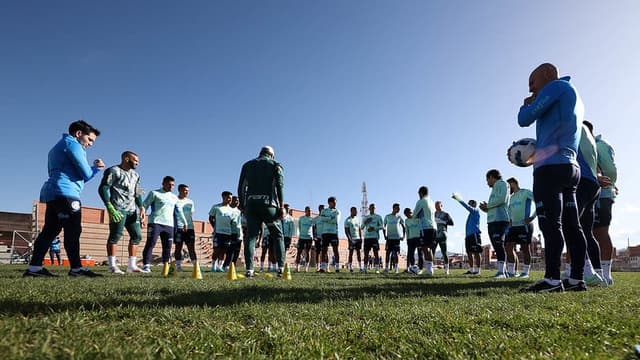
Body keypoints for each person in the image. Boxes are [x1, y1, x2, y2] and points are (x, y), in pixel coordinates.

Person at [518, 63, 588, 292]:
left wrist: (526, 104)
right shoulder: (573, 93)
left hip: (550, 168)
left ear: (548, 74)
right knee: (572, 225)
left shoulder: (554, 87)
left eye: (532, 82)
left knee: (550, 224)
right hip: (571, 167)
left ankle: (552, 280)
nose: (530, 89)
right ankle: (577, 279)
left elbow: (524, 119)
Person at [24, 120, 104, 278]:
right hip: (67, 193)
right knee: (73, 230)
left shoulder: (56, 147)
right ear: (79, 134)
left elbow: (76, 176)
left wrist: (91, 171)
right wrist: (96, 168)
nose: (90, 144)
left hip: (52, 193)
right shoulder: (74, 145)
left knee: (49, 231)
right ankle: (76, 269)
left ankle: (34, 268)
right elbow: (86, 174)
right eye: (89, 140)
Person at [237, 145, 285, 278]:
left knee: (251, 236)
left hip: (251, 205)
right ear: (272, 155)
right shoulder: (276, 164)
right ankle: (281, 268)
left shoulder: (247, 165)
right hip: (269, 205)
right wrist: (281, 206)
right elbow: (280, 186)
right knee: (278, 235)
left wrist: (242, 204)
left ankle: (249, 270)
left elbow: (241, 187)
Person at [99, 151, 145, 274]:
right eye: (135, 160)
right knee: (115, 236)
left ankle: (132, 266)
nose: (137, 163)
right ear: (126, 159)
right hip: (118, 208)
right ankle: (113, 266)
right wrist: (109, 206)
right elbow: (103, 188)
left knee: (137, 236)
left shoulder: (136, 175)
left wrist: (141, 207)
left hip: (132, 210)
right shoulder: (113, 171)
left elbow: (138, 191)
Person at [141, 176, 186, 273]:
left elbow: (179, 211)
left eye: (173, 185)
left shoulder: (174, 197)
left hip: (169, 225)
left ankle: (166, 266)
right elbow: (144, 205)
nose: (171, 186)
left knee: (167, 246)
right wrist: (142, 216)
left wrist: (184, 222)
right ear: (163, 183)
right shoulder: (154, 193)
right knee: (151, 243)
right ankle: (146, 265)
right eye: (169, 184)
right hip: (155, 222)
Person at [593, 124, 618, 285]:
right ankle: (598, 272)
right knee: (590, 233)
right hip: (597, 194)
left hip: (601, 195)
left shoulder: (598, 145)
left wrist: (609, 183)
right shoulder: (601, 144)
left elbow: (610, 170)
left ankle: (606, 275)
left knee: (600, 232)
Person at [479, 169, 510, 279]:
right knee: (496, 245)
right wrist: (485, 209)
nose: (487, 183)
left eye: (487, 180)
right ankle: (502, 271)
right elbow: (493, 206)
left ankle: (502, 272)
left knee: (499, 243)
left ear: (492, 177)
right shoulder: (494, 188)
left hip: (500, 220)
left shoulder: (502, 184)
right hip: (492, 220)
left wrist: (488, 205)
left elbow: (502, 199)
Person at [505, 177, 536, 278]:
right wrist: (509, 221)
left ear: (513, 183)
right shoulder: (511, 198)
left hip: (525, 226)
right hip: (513, 227)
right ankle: (511, 272)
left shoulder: (525, 192)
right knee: (508, 247)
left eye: (508, 186)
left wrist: (532, 217)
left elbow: (538, 201)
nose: (507, 190)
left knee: (525, 248)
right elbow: (509, 211)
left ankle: (525, 273)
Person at [452, 193, 482, 275]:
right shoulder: (471, 214)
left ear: (474, 204)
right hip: (468, 236)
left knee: (476, 252)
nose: (469, 205)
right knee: (469, 253)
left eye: (470, 203)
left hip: (474, 234)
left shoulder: (475, 211)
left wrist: (458, 199)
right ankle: (471, 270)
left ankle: (478, 270)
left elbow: (466, 207)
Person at [208, 191, 235, 272]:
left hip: (228, 233)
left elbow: (232, 221)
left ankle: (220, 266)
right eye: (228, 198)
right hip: (218, 233)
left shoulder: (231, 210)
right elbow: (210, 218)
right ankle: (213, 266)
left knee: (224, 250)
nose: (230, 199)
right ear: (223, 197)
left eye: (230, 198)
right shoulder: (216, 207)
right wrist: (214, 227)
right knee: (217, 250)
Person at [413, 186, 437, 276]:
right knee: (429, 248)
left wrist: (417, 215)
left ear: (420, 193)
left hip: (425, 227)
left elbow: (414, 215)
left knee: (425, 248)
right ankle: (430, 270)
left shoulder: (421, 201)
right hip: (433, 227)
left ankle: (428, 271)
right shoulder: (432, 202)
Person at [174, 184, 197, 272]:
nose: (186, 192)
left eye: (187, 190)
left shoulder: (190, 201)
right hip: (179, 227)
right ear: (179, 190)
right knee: (178, 247)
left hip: (190, 228)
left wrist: (188, 224)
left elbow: (191, 214)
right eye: (184, 190)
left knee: (191, 247)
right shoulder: (174, 200)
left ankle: (195, 266)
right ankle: (178, 266)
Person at [320, 196, 341, 272]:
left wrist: (327, 219)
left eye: (336, 203)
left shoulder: (337, 211)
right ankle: (322, 268)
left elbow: (336, 221)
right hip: (325, 233)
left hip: (333, 233)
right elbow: (322, 219)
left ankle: (337, 268)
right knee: (324, 250)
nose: (335, 204)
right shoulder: (324, 211)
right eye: (333, 202)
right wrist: (330, 218)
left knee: (335, 250)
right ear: (329, 203)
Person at [383, 203, 405, 273]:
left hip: (397, 238)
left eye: (399, 208)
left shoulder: (399, 217)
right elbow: (384, 226)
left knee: (396, 253)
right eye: (397, 208)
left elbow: (403, 227)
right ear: (393, 208)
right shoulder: (387, 216)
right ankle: (386, 268)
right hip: (389, 238)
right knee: (388, 253)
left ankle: (396, 268)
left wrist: (403, 236)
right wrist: (384, 236)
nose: (398, 209)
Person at [433, 201, 454, 275]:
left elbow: (452, 223)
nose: (437, 206)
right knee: (432, 252)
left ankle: (447, 269)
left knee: (444, 252)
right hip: (434, 234)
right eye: (435, 205)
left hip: (443, 234)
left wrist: (442, 221)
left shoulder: (445, 214)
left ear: (442, 205)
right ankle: (431, 269)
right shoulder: (433, 214)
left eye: (438, 205)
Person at [361, 203, 383, 273]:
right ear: (369, 209)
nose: (372, 208)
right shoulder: (366, 217)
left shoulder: (378, 217)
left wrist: (374, 228)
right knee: (366, 254)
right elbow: (361, 227)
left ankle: (376, 269)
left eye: (374, 207)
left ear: (375, 209)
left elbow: (382, 226)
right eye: (371, 207)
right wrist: (365, 222)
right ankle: (365, 268)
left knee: (376, 253)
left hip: (374, 237)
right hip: (367, 237)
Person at [403, 208, 423, 272]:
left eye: (410, 212)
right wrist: (407, 239)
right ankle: (413, 267)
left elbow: (421, 228)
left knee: (420, 253)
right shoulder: (406, 221)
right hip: (410, 239)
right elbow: (406, 230)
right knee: (411, 254)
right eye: (407, 214)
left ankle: (420, 268)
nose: (409, 214)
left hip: (418, 238)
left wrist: (422, 237)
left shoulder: (417, 219)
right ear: (405, 214)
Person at [226, 195, 244, 269]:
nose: (237, 202)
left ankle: (233, 266)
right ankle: (226, 265)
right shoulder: (228, 210)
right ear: (231, 201)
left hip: (239, 233)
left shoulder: (239, 211)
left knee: (237, 250)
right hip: (231, 232)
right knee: (230, 250)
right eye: (235, 200)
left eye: (238, 201)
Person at [344, 206, 363, 273]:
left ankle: (360, 267)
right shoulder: (348, 220)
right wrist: (350, 239)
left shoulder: (357, 219)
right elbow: (346, 231)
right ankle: (350, 268)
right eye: (355, 211)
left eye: (356, 211)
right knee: (351, 253)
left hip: (358, 239)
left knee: (358, 253)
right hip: (352, 239)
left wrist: (361, 238)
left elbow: (359, 229)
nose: (356, 212)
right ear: (351, 211)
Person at [296, 206, 314, 272]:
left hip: (309, 238)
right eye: (308, 210)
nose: (309, 212)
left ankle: (306, 268)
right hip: (302, 237)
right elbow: (299, 227)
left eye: (310, 211)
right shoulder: (301, 218)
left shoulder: (312, 219)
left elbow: (314, 229)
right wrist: (300, 235)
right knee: (299, 252)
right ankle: (297, 267)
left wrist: (313, 237)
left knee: (307, 252)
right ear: (305, 211)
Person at [312, 204, 325, 272]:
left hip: (325, 237)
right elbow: (314, 228)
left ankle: (326, 267)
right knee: (318, 252)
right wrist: (314, 236)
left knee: (325, 252)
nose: (322, 210)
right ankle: (317, 267)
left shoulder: (326, 218)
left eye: (323, 209)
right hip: (318, 237)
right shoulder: (316, 219)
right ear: (319, 209)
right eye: (321, 209)